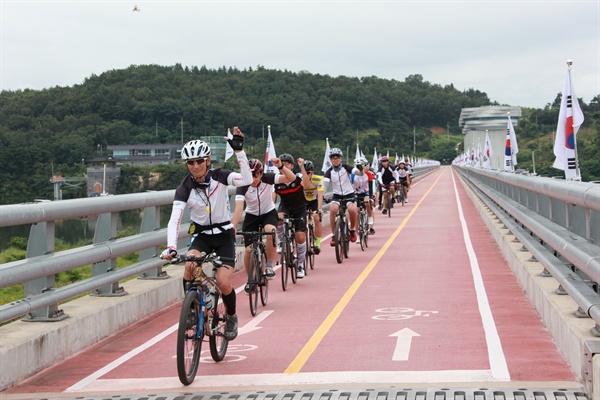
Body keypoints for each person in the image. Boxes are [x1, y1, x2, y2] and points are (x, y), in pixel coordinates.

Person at [160, 127, 251, 341]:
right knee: (190, 266)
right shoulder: (184, 188)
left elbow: (246, 180)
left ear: (208, 160)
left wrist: (240, 152)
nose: (196, 166)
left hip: (223, 235)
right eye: (191, 162)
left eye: (200, 161)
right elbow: (175, 219)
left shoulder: (221, 176)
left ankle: (231, 316)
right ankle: (191, 309)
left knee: (223, 282)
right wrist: (171, 247)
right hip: (201, 235)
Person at [231, 158, 295, 292]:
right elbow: (238, 208)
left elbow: (291, 178)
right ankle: (250, 279)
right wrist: (233, 227)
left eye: (255, 175)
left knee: (270, 230)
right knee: (249, 249)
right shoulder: (242, 185)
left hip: (268, 212)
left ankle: (270, 265)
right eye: (250, 176)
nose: (253, 179)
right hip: (251, 215)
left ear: (261, 174)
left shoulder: (269, 178)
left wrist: (281, 166)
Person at [273, 154, 311, 278]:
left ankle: (300, 264)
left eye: (287, 163)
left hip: (299, 208)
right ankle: (281, 241)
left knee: (300, 237)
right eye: (282, 162)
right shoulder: (277, 179)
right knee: (278, 218)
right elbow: (272, 197)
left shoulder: (298, 176)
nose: (284, 165)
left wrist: (302, 168)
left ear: (292, 165)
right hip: (285, 207)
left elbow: (306, 185)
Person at [323, 147, 363, 246]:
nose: (335, 160)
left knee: (353, 209)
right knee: (332, 210)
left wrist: (360, 169)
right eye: (333, 158)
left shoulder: (346, 167)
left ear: (341, 158)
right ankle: (333, 235)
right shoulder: (329, 172)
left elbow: (359, 173)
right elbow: (325, 184)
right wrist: (322, 194)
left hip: (349, 193)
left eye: (337, 158)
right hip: (337, 195)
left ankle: (353, 230)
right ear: (330, 160)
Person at [299, 160, 324, 254]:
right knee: (303, 220)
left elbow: (320, 194)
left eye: (308, 173)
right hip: (303, 200)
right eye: (304, 172)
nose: (307, 175)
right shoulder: (299, 178)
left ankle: (317, 244)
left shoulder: (318, 179)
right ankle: (306, 244)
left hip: (314, 200)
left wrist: (319, 209)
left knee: (316, 218)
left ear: (312, 172)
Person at [352, 156, 376, 235]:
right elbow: (350, 186)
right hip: (356, 193)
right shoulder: (353, 175)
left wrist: (371, 196)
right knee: (356, 212)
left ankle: (369, 217)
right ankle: (356, 232)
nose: (364, 168)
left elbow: (371, 186)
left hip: (366, 192)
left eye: (365, 166)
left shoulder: (368, 174)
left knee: (367, 202)